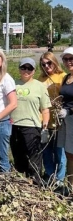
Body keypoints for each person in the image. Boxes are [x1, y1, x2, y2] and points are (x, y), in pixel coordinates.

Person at [10, 58, 51, 185]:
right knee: (18, 155)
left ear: (34, 71)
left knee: (34, 157)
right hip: (14, 125)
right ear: (19, 69)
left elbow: (45, 109)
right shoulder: (13, 84)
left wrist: (45, 127)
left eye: (29, 68)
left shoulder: (40, 86)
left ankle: (36, 182)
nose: (26, 70)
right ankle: (21, 182)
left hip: (32, 126)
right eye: (23, 67)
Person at [38, 52, 67, 185]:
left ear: (54, 62)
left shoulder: (63, 77)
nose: (46, 66)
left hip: (60, 118)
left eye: (49, 63)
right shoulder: (40, 79)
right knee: (46, 149)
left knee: (59, 150)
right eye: (43, 64)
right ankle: (50, 174)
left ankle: (60, 179)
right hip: (45, 118)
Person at [57, 47, 73, 191]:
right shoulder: (66, 78)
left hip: (71, 118)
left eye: (71, 59)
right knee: (68, 154)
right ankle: (70, 186)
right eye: (66, 59)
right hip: (65, 120)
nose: (68, 62)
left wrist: (69, 110)